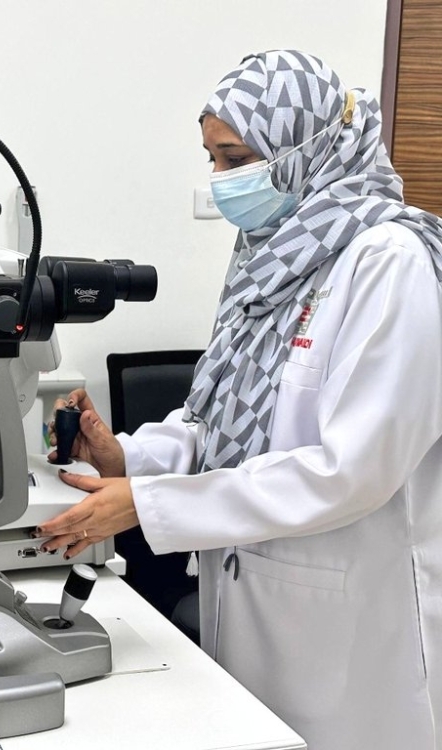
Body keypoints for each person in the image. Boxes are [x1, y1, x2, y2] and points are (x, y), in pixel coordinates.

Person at [39, 50, 442, 750]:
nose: (223, 180)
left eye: (237, 158)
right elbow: (224, 418)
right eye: (213, 160)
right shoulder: (273, 253)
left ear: (307, 148)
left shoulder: (387, 260)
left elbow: (353, 470)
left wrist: (150, 504)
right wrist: (127, 458)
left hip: (347, 616)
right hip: (253, 591)